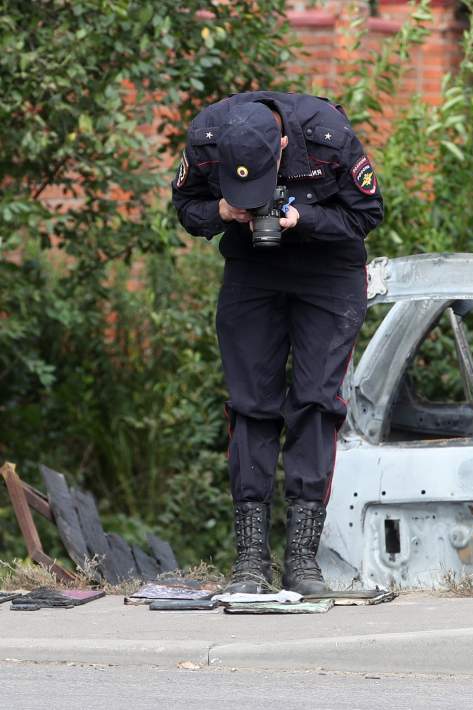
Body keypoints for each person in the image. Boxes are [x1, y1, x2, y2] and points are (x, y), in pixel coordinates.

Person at [171, 92, 383, 594]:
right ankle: (250, 563)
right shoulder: (206, 138)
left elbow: (368, 213)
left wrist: (301, 219)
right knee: (251, 405)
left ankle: (303, 563)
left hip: (329, 273)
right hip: (251, 270)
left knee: (315, 403)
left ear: (284, 143)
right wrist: (223, 210)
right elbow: (185, 206)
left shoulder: (328, 135)